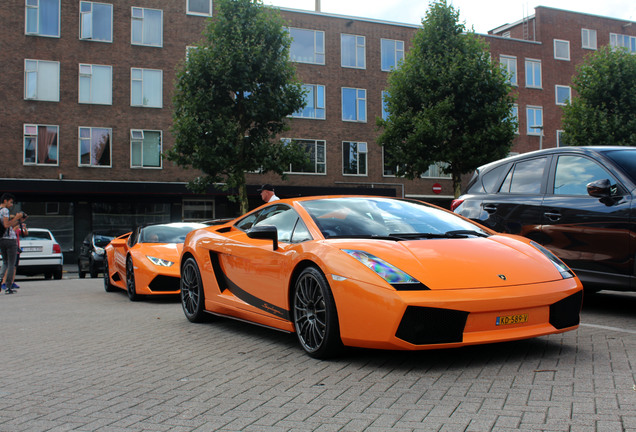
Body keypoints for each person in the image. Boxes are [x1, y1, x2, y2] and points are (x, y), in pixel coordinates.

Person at [0, 193, 26, 295]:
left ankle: (0, 279)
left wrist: (20, 220)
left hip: (1, 239)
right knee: (11, 263)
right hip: (10, 240)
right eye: (10, 202)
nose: (11, 205)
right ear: (5, 201)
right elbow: (7, 225)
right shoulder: (5, 210)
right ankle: (8, 286)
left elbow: (7, 226)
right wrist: (17, 217)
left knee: (5, 262)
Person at [2, 221, 28, 290]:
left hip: (16, 249)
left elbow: (25, 234)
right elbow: (9, 235)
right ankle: (3, 282)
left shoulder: (17, 230)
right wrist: (15, 228)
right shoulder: (8, 229)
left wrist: (24, 228)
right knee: (8, 265)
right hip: (10, 249)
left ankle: (12, 282)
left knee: (14, 266)